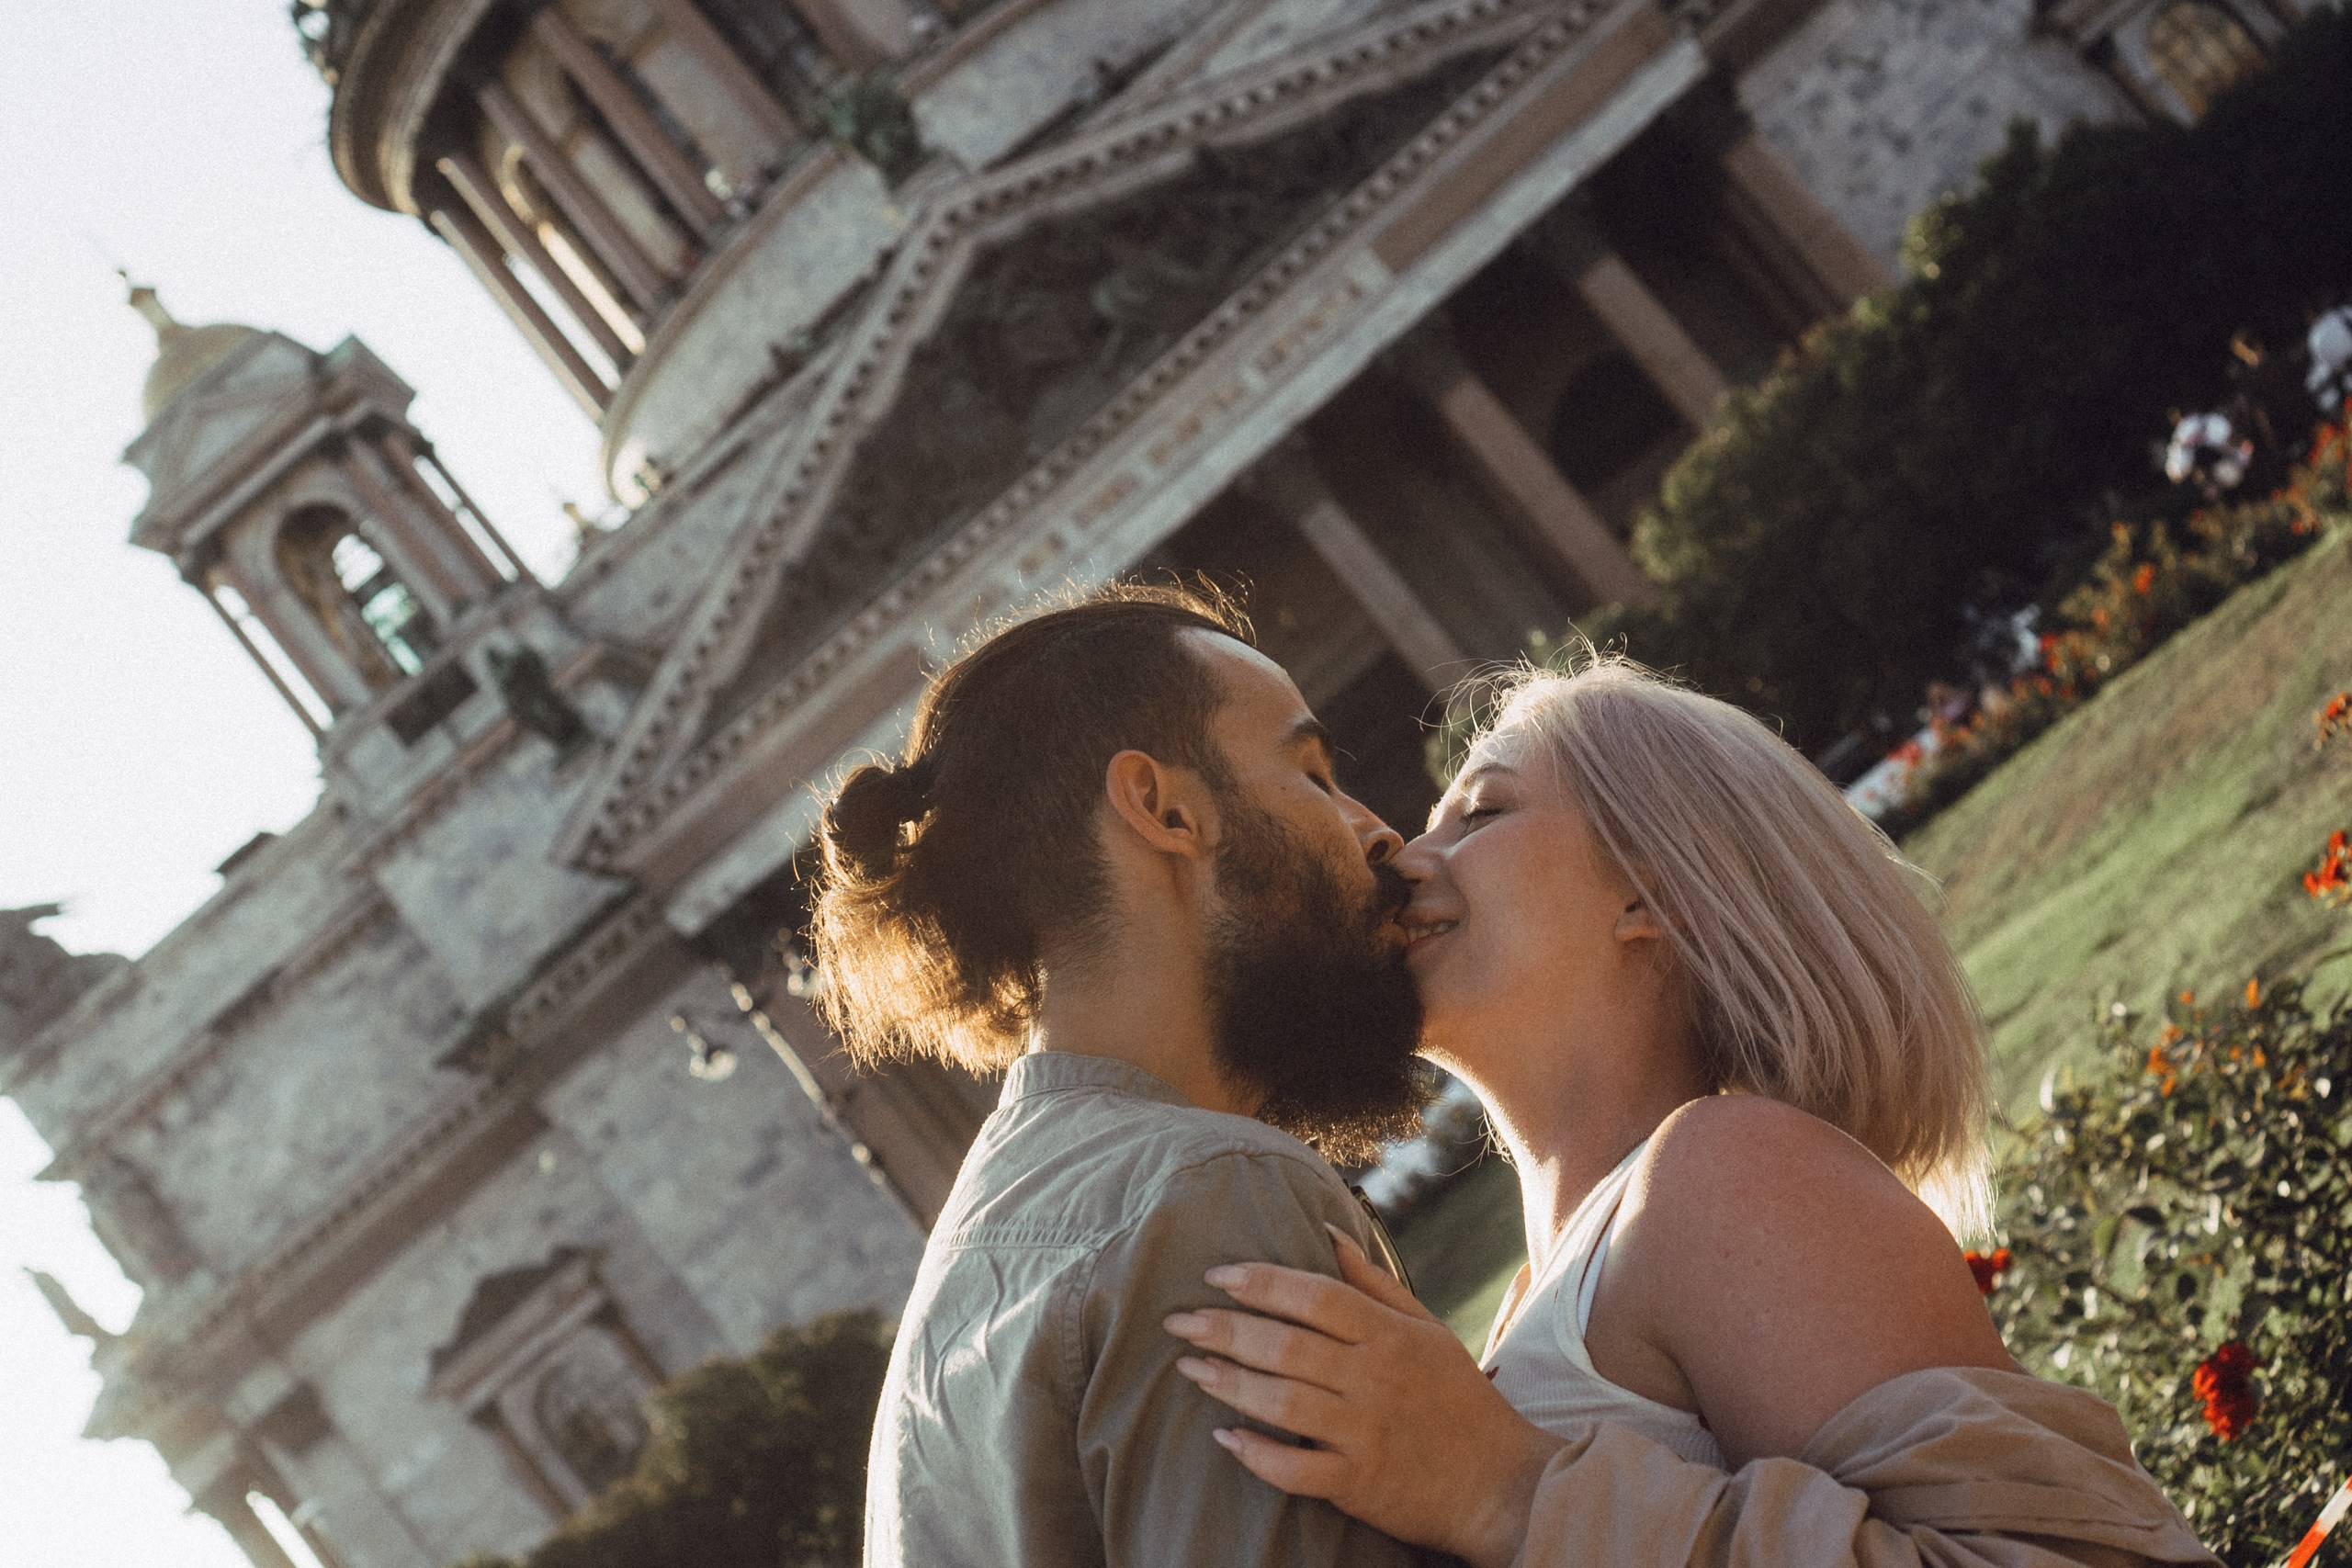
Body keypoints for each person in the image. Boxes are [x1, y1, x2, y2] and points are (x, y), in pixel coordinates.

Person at [1165, 653, 2217, 1568]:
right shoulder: (1550, 1285)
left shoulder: (1725, 1173)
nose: (1397, 852)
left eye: (1481, 813)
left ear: (1652, 894)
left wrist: (1508, 1493)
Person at [815, 583, 1442, 1567]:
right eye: (1313, 774)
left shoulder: (976, 1258)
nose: (1376, 830)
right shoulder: (1205, 1193)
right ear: (1163, 808)